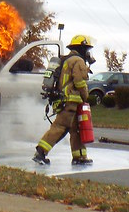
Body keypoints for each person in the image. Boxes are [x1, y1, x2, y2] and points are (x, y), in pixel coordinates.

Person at [33, 33, 95, 167]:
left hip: (67, 100)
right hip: (69, 101)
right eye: (87, 49)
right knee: (59, 127)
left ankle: (79, 156)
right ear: (82, 48)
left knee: (76, 129)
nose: (88, 53)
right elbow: (79, 82)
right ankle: (40, 152)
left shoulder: (67, 59)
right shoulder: (77, 61)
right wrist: (86, 96)